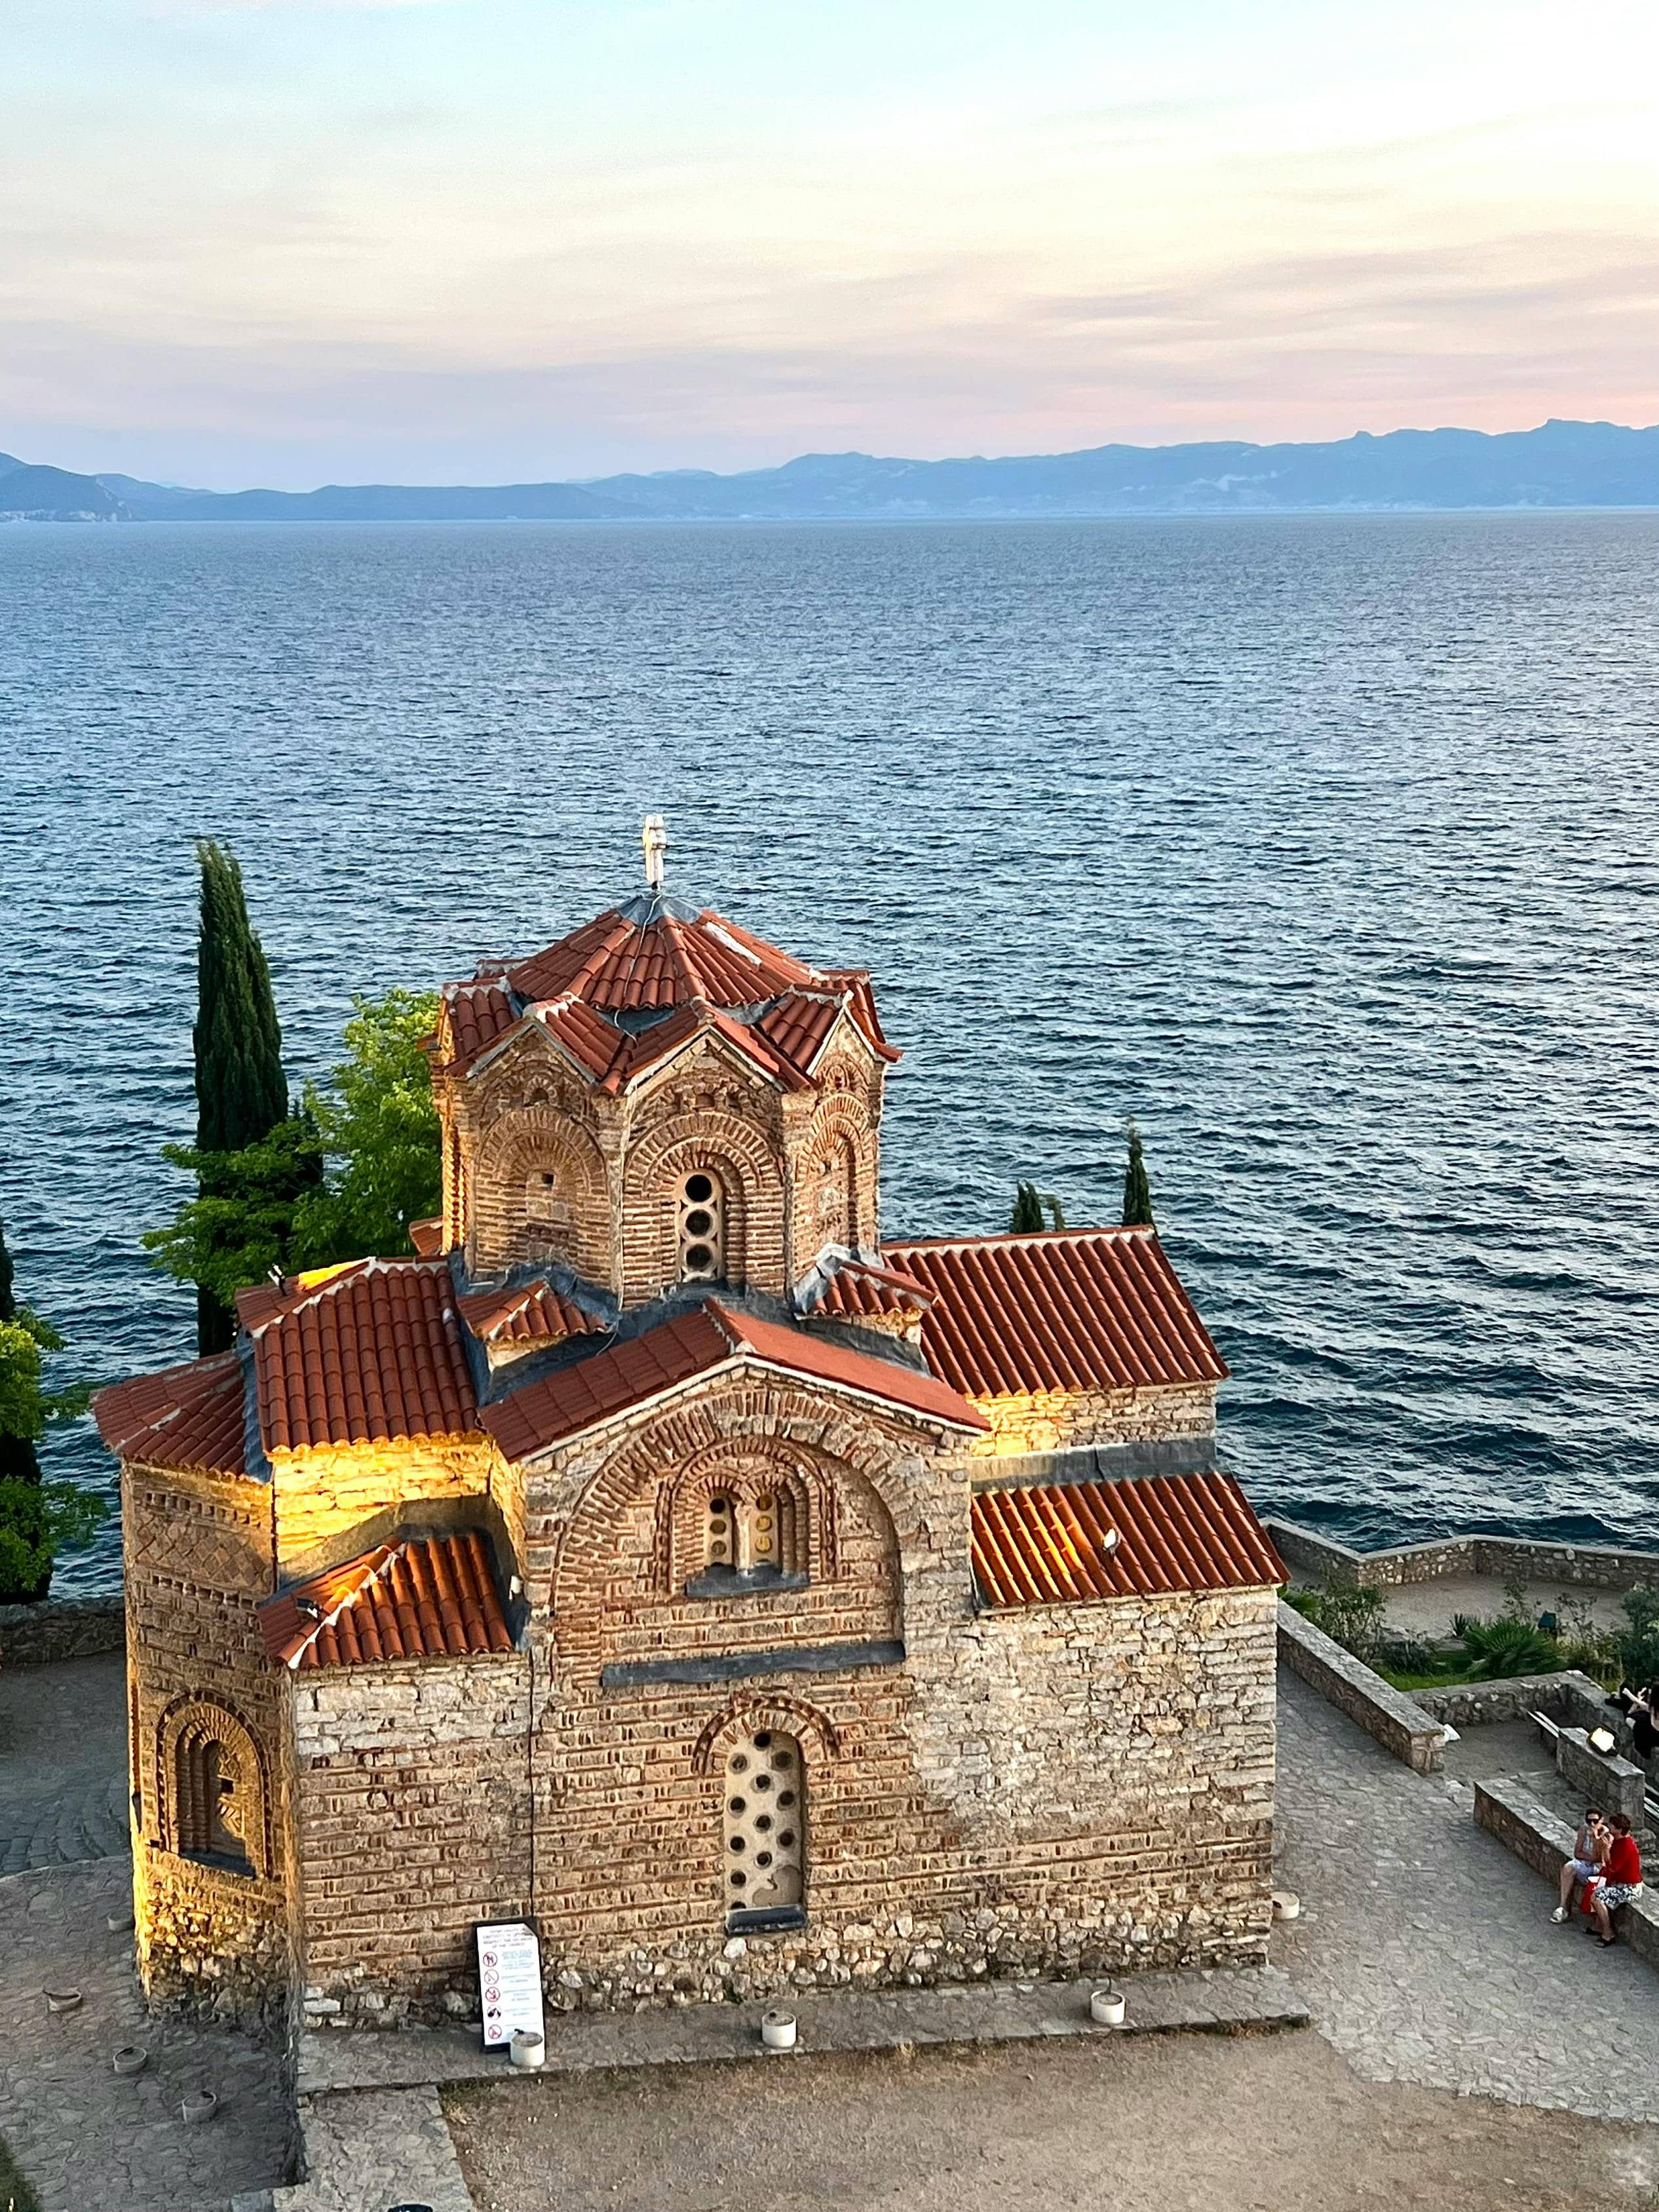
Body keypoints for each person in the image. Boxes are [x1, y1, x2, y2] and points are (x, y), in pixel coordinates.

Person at [1587, 1814, 1643, 1947]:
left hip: (1629, 1887)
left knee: (1597, 1898)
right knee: (1598, 1891)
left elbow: (1612, 1867)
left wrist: (1606, 1849)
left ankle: (1608, 1933)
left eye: (1612, 1826)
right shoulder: (1618, 1841)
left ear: (1619, 1830)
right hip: (1619, 1883)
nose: (1609, 1827)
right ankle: (1598, 1926)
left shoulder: (1626, 1846)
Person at [1551, 1806, 1606, 1923]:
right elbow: (1577, 1853)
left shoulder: (1606, 1835)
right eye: (1589, 1821)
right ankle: (1563, 1907)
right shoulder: (1584, 1830)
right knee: (1568, 1869)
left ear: (1601, 1820)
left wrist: (1595, 1838)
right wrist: (1591, 1858)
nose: (1592, 1824)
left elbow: (1602, 1858)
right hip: (1586, 1864)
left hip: (1599, 1869)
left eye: (1595, 1821)